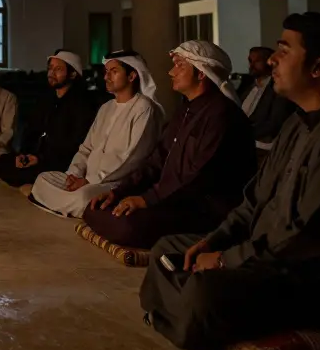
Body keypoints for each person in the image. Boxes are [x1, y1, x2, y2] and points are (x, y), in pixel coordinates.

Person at [141, 13, 320, 350]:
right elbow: (253, 201)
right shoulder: (297, 122)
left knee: (207, 291)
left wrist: (225, 261)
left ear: (319, 66)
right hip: (278, 255)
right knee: (168, 250)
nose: (273, 59)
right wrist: (214, 242)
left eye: (284, 50)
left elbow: (308, 236)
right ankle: (182, 312)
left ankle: (179, 312)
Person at [81, 40, 255, 249]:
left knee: (126, 225)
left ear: (201, 73)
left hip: (203, 208)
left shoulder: (220, 114)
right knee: (95, 207)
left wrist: (147, 200)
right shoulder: (186, 110)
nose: (171, 72)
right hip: (172, 198)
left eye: (180, 66)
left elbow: (197, 177)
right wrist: (119, 192)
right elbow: (157, 160)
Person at [29, 51, 163, 217]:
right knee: (43, 179)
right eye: (106, 72)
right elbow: (86, 148)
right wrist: (74, 175)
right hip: (85, 179)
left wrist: (90, 181)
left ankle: (70, 204)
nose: (107, 77)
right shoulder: (106, 107)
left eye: (113, 71)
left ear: (132, 76)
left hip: (113, 183)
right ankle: (71, 205)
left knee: (83, 196)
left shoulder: (144, 108)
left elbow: (131, 158)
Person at [0, 51, 97, 188]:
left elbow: (75, 146)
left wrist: (40, 159)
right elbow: (31, 130)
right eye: (50, 68)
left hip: (60, 162)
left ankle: (39, 184)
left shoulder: (81, 105)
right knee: (2, 161)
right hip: (36, 158)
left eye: (58, 69)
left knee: (43, 175)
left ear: (72, 74)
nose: (51, 73)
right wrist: (24, 155)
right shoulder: (46, 99)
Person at [236, 46, 295, 155]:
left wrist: (243, 134)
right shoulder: (246, 86)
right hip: (240, 143)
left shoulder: (277, 88)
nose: (251, 65)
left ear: (269, 62)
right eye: (250, 61)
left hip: (261, 147)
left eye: (257, 61)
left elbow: (275, 123)